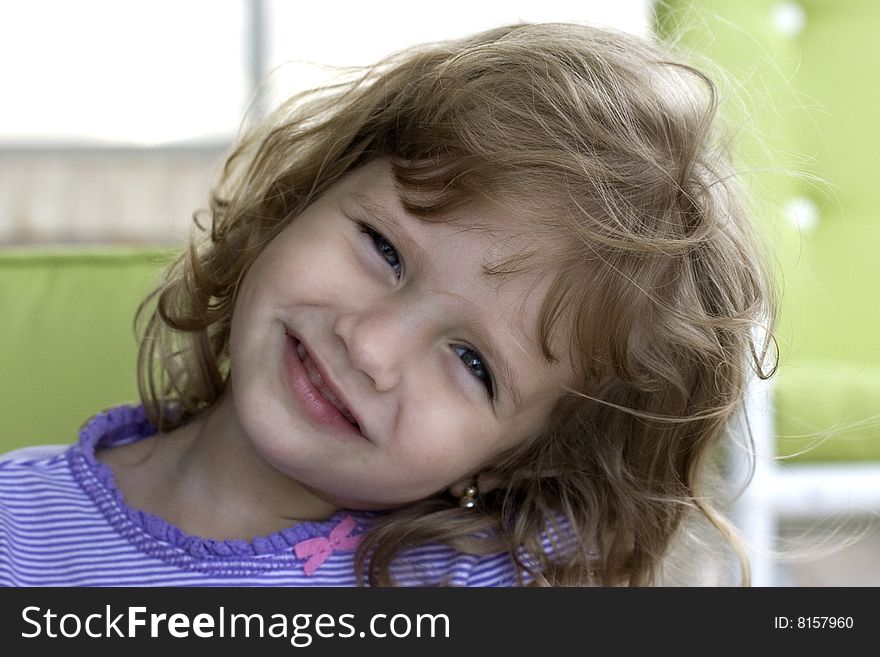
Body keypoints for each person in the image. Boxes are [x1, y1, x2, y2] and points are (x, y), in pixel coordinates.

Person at [0, 22, 775, 586]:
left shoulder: (492, 588)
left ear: (517, 462)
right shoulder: (16, 524)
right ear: (296, 200)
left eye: (473, 364)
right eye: (385, 250)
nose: (370, 347)